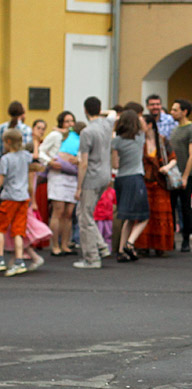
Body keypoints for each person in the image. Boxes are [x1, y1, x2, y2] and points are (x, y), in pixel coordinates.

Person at [73, 96, 116, 269]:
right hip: (105, 175)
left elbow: (83, 162)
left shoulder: (87, 132)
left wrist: (79, 187)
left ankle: (92, 257)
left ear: (85, 110)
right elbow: (113, 113)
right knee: (84, 213)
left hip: (91, 177)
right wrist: (101, 112)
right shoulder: (107, 124)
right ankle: (100, 246)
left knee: (85, 217)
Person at [111, 109, 149, 263]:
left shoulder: (116, 141)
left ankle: (121, 250)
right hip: (135, 177)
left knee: (127, 215)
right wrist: (138, 117)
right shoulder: (139, 138)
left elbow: (115, 163)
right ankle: (129, 243)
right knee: (143, 216)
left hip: (121, 178)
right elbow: (144, 126)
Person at [137, 114, 177, 255]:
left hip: (160, 182)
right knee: (145, 214)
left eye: (141, 122)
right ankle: (144, 246)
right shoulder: (139, 141)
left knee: (161, 215)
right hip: (145, 182)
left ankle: (160, 246)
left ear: (149, 125)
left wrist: (167, 168)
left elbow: (173, 158)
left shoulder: (162, 141)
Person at [41, 111, 77, 255]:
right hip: (58, 175)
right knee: (58, 211)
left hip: (72, 176)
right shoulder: (55, 135)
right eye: (67, 121)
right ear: (61, 122)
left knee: (69, 213)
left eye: (71, 121)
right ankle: (55, 245)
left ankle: (65, 244)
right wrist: (49, 161)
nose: (69, 124)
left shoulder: (76, 137)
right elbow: (42, 150)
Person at [0, 129, 33, 275]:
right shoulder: (26, 156)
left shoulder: (6, 159)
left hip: (9, 197)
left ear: (8, 142)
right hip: (23, 197)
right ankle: (19, 261)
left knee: (1, 228)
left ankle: (0, 259)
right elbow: (35, 158)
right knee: (18, 231)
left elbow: (1, 179)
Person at [169, 99, 192, 252]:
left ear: (184, 112)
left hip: (187, 174)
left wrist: (185, 176)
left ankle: (186, 238)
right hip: (173, 175)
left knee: (185, 207)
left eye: (175, 110)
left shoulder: (191, 129)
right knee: (171, 206)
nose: (172, 112)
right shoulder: (175, 129)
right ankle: (171, 238)